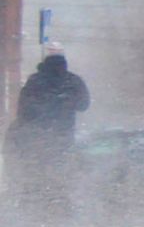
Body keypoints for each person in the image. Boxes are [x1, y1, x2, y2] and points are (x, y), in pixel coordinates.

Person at [4, 48, 91, 212]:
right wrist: (65, 103)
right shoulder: (72, 81)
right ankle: (59, 210)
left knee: (36, 181)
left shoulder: (35, 81)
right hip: (63, 140)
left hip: (36, 142)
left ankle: (34, 211)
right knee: (59, 181)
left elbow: (23, 112)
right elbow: (84, 105)